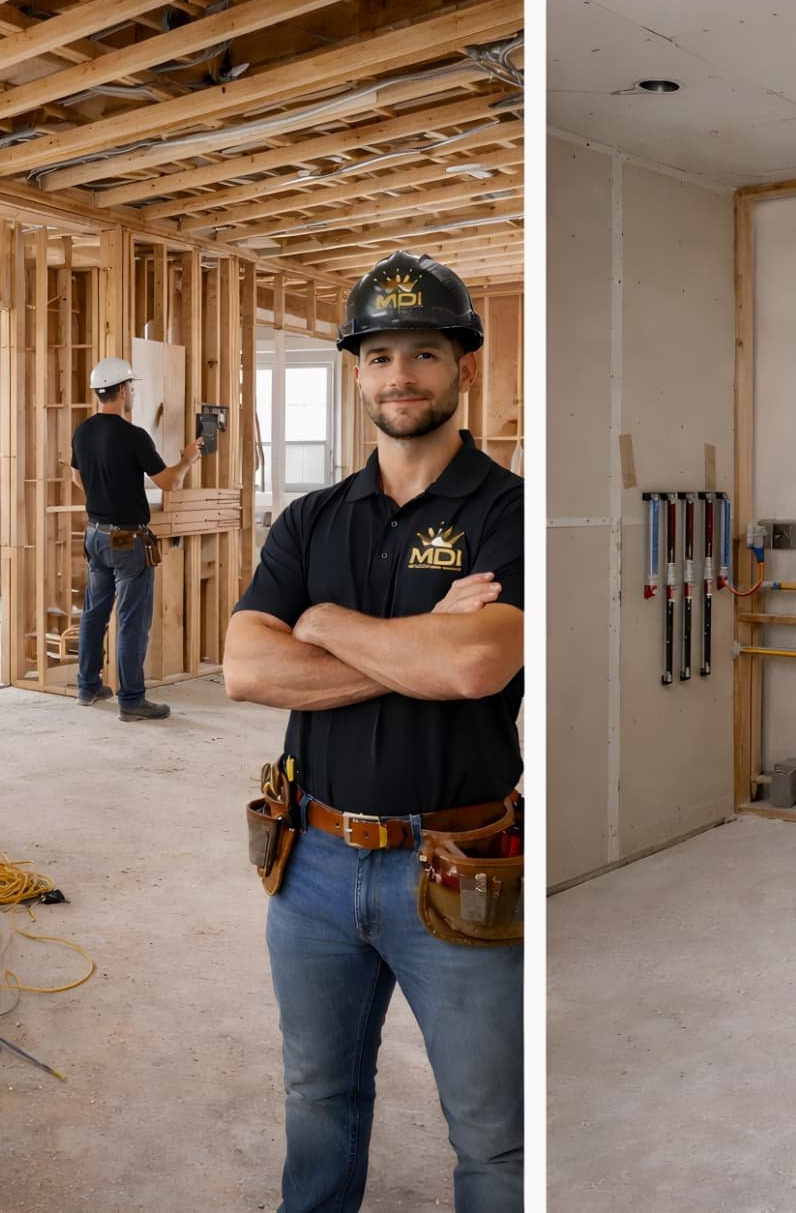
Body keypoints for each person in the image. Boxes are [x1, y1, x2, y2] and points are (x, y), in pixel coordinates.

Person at [225, 251, 524, 1212]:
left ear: (463, 367)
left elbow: (473, 667)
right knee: (318, 1097)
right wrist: (419, 643)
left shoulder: (510, 513)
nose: (401, 375)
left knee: (493, 1138)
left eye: (425, 353)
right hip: (310, 863)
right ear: (358, 371)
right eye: (380, 354)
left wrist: (323, 623)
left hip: (457, 864)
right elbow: (244, 670)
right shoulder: (311, 519)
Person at [70, 357, 202, 720]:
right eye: (131, 387)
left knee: (94, 615)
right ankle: (131, 700)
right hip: (128, 542)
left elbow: (77, 479)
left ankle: (88, 687)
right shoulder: (133, 436)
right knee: (131, 620)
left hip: (95, 536)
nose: (132, 392)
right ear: (124, 390)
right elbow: (168, 482)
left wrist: (105, 493)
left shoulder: (82, 432)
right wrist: (188, 458)